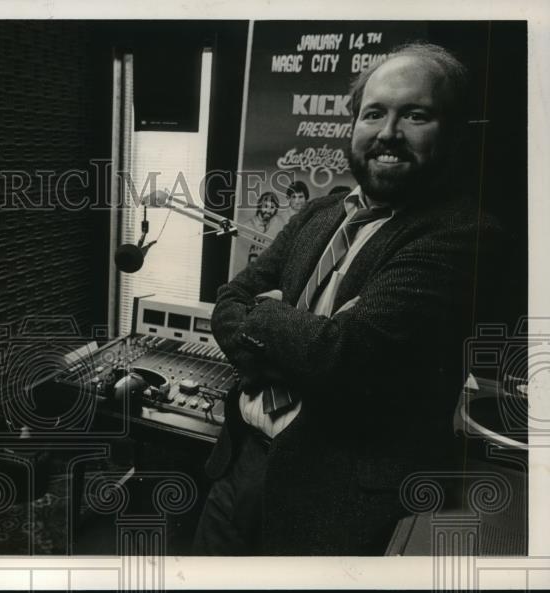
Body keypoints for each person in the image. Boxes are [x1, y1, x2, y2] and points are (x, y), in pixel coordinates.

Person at [194, 42, 500, 555]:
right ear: (353, 124)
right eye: (373, 113)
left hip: (335, 499)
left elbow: (346, 356)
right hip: (239, 469)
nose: (387, 133)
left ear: (454, 131)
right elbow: (230, 299)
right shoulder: (321, 212)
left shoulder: (465, 234)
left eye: (416, 115)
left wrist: (266, 316)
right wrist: (296, 330)